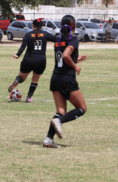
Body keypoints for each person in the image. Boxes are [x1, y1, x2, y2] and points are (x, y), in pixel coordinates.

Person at [42, 15, 88, 148]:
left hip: (55, 78)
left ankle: (49, 139)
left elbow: (62, 57)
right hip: (66, 78)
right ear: (73, 26)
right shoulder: (73, 39)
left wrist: (76, 59)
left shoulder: (58, 39)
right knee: (82, 108)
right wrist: (75, 66)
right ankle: (59, 121)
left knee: (61, 110)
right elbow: (66, 55)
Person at [8, 19, 56, 102]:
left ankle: (17, 81)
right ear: (42, 26)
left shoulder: (28, 35)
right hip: (40, 60)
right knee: (35, 80)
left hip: (28, 59)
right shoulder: (45, 34)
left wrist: (18, 54)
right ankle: (29, 97)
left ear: (32, 25)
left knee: (22, 77)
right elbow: (57, 39)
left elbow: (23, 46)